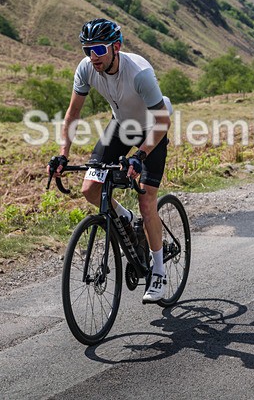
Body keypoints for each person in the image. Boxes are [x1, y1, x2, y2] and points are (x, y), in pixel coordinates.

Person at [48, 18, 171, 304]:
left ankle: (159, 272)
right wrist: (63, 154)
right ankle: (126, 219)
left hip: (154, 126)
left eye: (99, 49)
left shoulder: (139, 73)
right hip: (120, 126)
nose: (93, 56)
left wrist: (140, 156)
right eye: (87, 49)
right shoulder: (86, 69)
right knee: (90, 188)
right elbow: (72, 114)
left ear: (116, 46)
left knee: (146, 200)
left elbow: (162, 120)